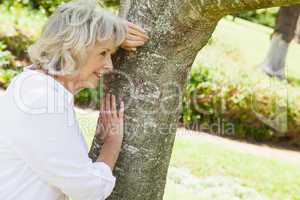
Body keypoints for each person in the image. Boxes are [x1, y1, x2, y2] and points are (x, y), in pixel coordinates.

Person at [0, 0, 149, 199]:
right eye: (103, 53)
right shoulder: (42, 104)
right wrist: (112, 141)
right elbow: (89, 190)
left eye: (110, 54)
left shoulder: (31, 83)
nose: (109, 66)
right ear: (73, 50)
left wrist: (109, 33)